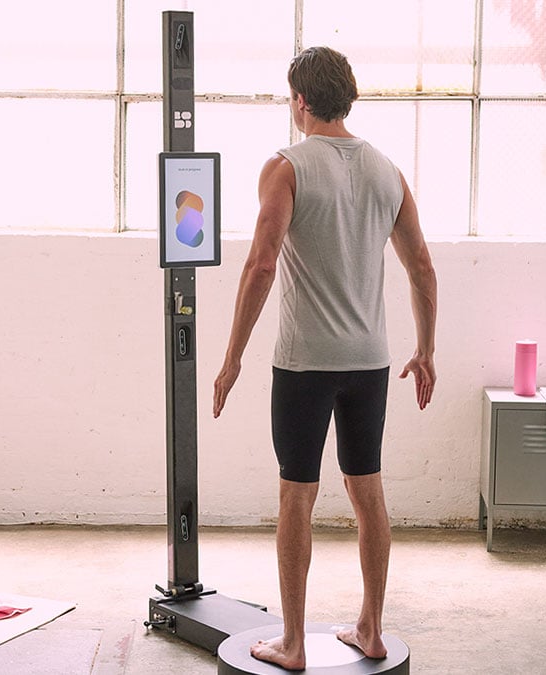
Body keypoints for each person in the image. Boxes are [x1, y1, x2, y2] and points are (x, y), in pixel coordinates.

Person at [213, 46, 437, 671]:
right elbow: (421, 266)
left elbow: (260, 265)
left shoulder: (286, 166)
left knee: (296, 495)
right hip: (370, 363)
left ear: (301, 102)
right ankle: (370, 629)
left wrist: (231, 359)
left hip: (306, 363)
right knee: (367, 490)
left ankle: (291, 642)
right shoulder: (387, 171)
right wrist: (425, 350)